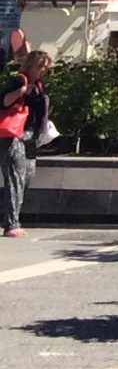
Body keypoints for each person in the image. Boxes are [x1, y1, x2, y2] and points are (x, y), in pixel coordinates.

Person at [0, 50, 51, 238]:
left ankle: (10, 216)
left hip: (31, 137)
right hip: (14, 136)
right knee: (15, 179)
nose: (43, 70)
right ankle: (11, 224)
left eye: (45, 67)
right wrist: (21, 91)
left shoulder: (38, 85)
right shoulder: (19, 81)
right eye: (40, 66)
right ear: (30, 65)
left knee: (26, 177)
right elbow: (4, 101)